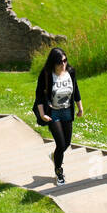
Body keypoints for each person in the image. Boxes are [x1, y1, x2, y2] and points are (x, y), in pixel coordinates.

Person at [34, 47, 83, 185]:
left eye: (65, 61)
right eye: (60, 62)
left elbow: (76, 89)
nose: (63, 65)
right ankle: (59, 171)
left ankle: (55, 156)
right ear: (53, 63)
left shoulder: (70, 72)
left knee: (66, 143)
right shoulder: (46, 74)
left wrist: (80, 108)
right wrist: (43, 114)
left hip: (67, 111)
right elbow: (39, 95)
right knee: (60, 143)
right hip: (53, 112)